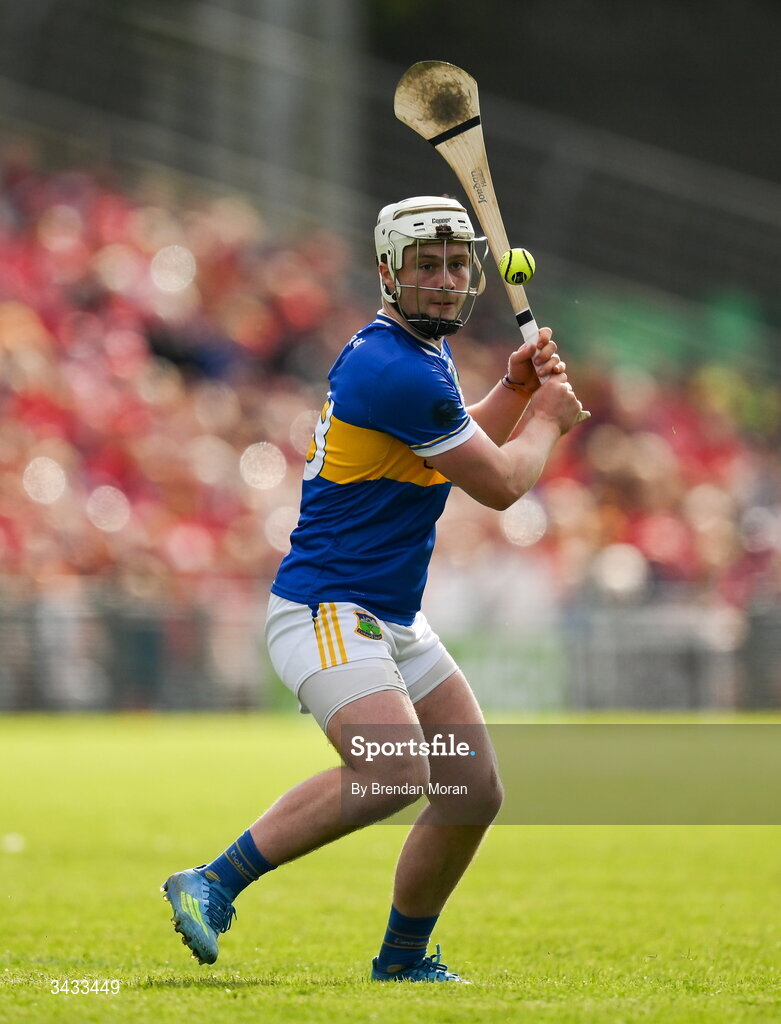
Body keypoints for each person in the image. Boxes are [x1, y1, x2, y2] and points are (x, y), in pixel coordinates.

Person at [161, 196, 584, 982]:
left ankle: (402, 960)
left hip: (386, 615)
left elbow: (445, 448)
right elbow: (497, 484)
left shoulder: (413, 357)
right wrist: (551, 420)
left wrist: (517, 391)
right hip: (328, 607)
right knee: (396, 770)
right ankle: (212, 883)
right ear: (388, 271)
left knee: (470, 788)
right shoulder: (395, 367)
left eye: (458, 264)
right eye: (427, 265)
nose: (446, 278)